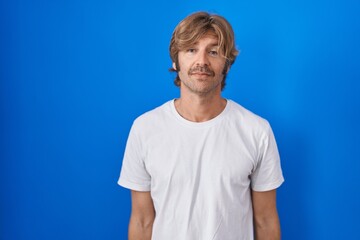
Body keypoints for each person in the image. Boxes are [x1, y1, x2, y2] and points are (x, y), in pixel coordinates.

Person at [118, 11, 284, 240]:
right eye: (191, 50)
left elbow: (265, 221)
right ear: (175, 61)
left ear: (227, 63)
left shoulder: (257, 131)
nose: (202, 61)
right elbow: (141, 220)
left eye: (213, 51)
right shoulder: (145, 129)